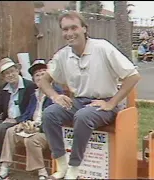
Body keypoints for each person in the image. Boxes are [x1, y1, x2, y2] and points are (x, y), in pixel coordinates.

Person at [39, 11, 141, 179]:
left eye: (74, 28)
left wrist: (111, 103)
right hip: (79, 101)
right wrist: (55, 97)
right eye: (65, 29)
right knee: (49, 114)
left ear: (85, 29)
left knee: (83, 116)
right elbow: (43, 81)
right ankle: (62, 166)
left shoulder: (102, 47)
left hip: (105, 102)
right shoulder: (63, 55)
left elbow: (133, 76)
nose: (70, 33)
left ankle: (74, 167)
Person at [0, 59, 63, 180]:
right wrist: (23, 123)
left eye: (43, 74)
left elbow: (56, 119)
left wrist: (37, 128)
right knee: (10, 131)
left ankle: (42, 173)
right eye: (37, 75)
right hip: (31, 129)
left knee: (32, 140)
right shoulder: (34, 94)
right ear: (34, 79)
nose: (40, 77)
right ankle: (4, 170)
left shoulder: (57, 93)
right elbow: (26, 114)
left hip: (47, 132)